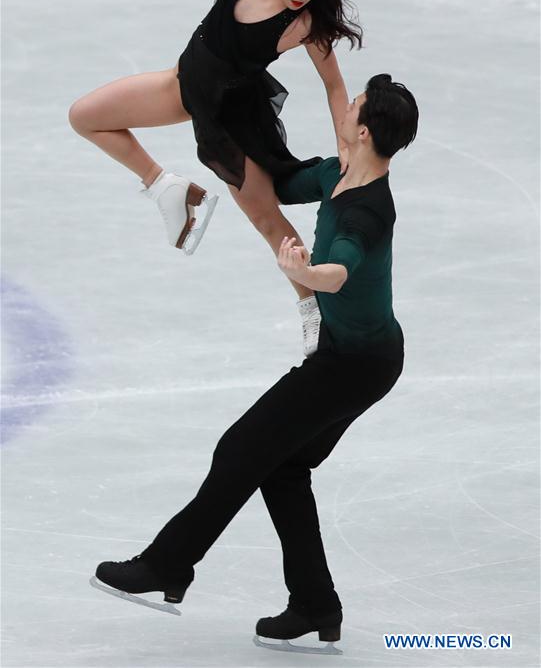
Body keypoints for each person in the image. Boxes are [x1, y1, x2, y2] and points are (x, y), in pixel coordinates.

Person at [91, 74, 419, 651]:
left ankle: (168, 564)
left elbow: (339, 271)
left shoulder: (369, 209)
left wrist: (302, 274)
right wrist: (245, 125)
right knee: (282, 469)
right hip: (360, 355)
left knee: (241, 450)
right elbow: (284, 179)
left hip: (356, 365)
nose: (345, 114)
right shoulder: (336, 172)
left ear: (364, 132)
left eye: (355, 111)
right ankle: (316, 604)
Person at [68, 0, 363, 354]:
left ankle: (312, 310)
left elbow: (334, 87)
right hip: (183, 87)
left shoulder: (305, 25)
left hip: (232, 121)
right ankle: (169, 189)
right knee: (86, 116)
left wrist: (345, 148)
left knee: (269, 225)